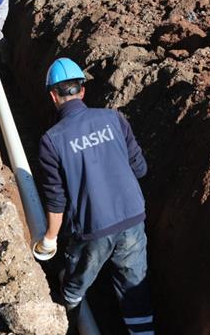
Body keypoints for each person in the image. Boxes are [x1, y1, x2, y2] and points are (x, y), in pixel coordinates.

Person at [34, 58, 155, 334]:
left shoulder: (51, 140)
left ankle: (70, 325)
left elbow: (56, 201)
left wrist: (49, 240)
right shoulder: (114, 118)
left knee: (75, 285)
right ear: (82, 91)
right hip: (133, 218)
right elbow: (140, 168)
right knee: (134, 289)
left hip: (93, 229)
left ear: (53, 96)